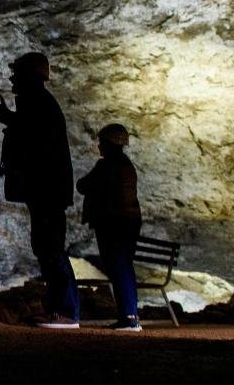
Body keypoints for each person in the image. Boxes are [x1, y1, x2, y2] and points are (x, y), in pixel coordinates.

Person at [0, 52, 80, 329]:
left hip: (46, 189)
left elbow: (32, 137)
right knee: (49, 247)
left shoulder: (38, 103)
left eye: (17, 72)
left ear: (31, 75)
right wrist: (8, 118)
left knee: (50, 248)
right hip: (46, 189)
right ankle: (62, 310)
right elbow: (29, 132)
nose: (12, 77)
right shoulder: (37, 103)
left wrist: (6, 118)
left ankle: (65, 312)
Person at [76, 123, 142, 332]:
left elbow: (83, 185)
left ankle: (129, 318)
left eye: (102, 143)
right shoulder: (126, 165)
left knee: (118, 267)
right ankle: (130, 314)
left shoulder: (107, 165)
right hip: (129, 222)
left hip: (113, 222)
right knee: (124, 267)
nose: (99, 147)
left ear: (109, 144)